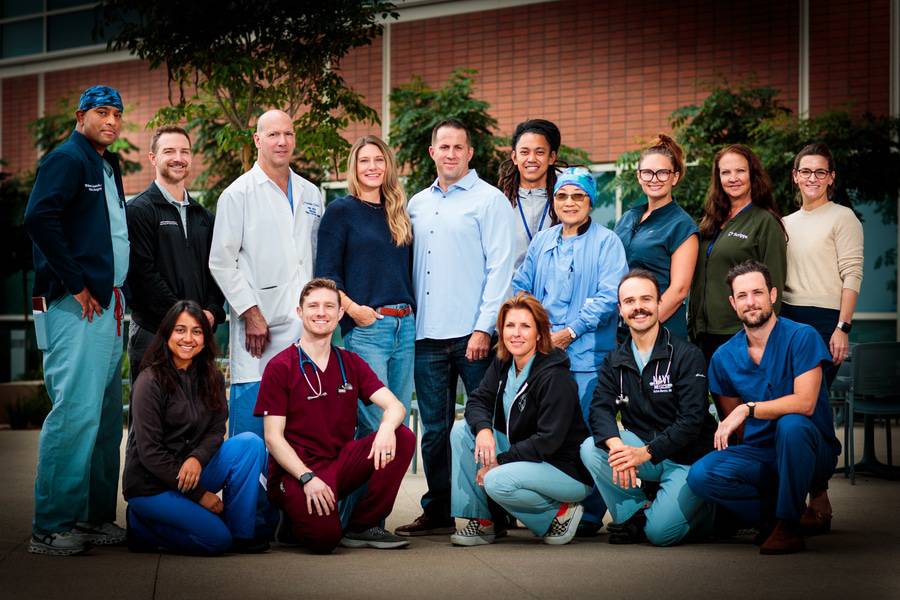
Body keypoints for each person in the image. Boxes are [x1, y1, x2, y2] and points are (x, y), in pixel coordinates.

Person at [395, 119, 516, 537]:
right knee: (434, 430)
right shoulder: (415, 204)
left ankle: (496, 509)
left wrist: (484, 328)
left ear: (469, 153)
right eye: (443, 147)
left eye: (458, 147)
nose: (450, 154)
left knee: (487, 425)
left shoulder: (490, 200)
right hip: (426, 336)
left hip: (473, 336)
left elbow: (501, 269)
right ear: (432, 152)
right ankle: (439, 509)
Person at [23, 86, 130, 555]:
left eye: (117, 114)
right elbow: (38, 218)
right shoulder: (66, 159)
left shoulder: (106, 165)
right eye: (102, 112)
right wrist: (76, 283)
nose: (111, 121)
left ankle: (91, 517)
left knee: (105, 419)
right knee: (75, 415)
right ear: (80, 115)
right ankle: (50, 527)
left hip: (110, 307)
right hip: (77, 307)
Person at [687, 260, 841, 555]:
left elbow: (805, 403)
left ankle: (788, 526)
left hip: (810, 450)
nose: (751, 302)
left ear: (772, 295)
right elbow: (738, 430)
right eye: (742, 296)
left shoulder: (802, 336)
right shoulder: (724, 357)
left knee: (791, 425)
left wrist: (748, 408)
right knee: (701, 475)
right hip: (763, 452)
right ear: (733, 303)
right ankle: (776, 516)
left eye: (757, 293)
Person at [255, 278, 415, 554]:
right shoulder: (280, 366)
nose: (321, 312)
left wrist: (386, 429)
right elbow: (273, 438)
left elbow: (396, 406)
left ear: (341, 313)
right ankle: (291, 518)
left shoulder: (350, 362)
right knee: (325, 539)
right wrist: (306, 477)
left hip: (339, 465)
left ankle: (363, 524)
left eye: (329, 306)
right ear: (300, 312)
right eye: (313, 306)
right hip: (295, 472)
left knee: (402, 436)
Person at [512, 166, 629, 535]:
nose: (569, 202)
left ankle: (591, 514)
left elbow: (609, 296)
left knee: (588, 435)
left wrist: (572, 330)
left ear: (590, 201)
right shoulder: (542, 241)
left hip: (588, 358)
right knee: (550, 432)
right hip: (545, 358)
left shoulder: (607, 242)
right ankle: (558, 507)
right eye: (562, 196)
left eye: (578, 196)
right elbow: (521, 284)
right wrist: (533, 324)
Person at [209, 109, 324, 438]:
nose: (282, 141)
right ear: (257, 140)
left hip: (306, 327)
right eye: (273, 135)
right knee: (253, 433)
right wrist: (251, 313)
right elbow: (221, 261)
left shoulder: (311, 193)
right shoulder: (238, 194)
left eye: (288, 134)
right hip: (260, 331)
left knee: (301, 431)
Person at [579, 269, 716, 546]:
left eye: (645, 299)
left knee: (660, 534)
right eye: (629, 301)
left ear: (658, 303)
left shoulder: (687, 355)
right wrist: (617, 448)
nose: (638, 307)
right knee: (592, 448)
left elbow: (691, 420)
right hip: (643, 452)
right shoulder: (615, 360)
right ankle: (637, 513)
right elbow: (600, 410)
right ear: (620, 309)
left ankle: (712, 513)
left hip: (685, 459)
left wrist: (645, 453)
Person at [124, 301, 268, 555]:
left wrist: (197, 458)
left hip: (192, 471)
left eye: (196, 331)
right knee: (216, 540)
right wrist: (201, 496)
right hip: (152, 485)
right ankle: (141, 525)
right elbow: (149, 452)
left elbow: (216, 430)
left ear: (205, 338)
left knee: (250, 444)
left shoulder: (212, 376)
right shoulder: (150, 381)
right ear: (167, 334)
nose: (188, 339)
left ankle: (241, 533)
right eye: (180, 330)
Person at [449, 292, 593, 546]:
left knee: (496, 481)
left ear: (539, 333)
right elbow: (478, 400)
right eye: (510, 326)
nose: (516, 333)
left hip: (562, 468)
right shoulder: (504, 363)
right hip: (525, 457)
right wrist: (483, 430)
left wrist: (499, 461)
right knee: (463, 432)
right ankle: (483, 522)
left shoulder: (555, 376)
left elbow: (548, 441)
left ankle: (560, 513)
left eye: (525, 326)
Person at [315, 135, 415, 434]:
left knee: (400, 422)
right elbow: (326, 276)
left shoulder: (398, 213)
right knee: (375, 423)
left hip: (405, 327)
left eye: (378, 160)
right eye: (364, 161)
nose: (372, 167)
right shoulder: (340, 211)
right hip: (368, 328)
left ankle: (389, 471)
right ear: (354, 168)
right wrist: (355, 311)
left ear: (388, 165)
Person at [126, 126, 225, 384]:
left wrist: (212, 311)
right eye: (169, 151)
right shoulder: (138, 211)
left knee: (196, 406)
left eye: (185, 151)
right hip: (153, 334)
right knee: (151, 408)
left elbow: (217, 270)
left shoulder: (204, 217)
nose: (178, 158)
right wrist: (183, 318)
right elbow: (143, 275)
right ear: (153, 158)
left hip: (198, 338)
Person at [689, 144, 787, 366]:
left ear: (752, 174)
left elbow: (774, 287)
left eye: (740, 171)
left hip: (740, 333)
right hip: (703, 333)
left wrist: (762, 338)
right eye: (726, 172)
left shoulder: (765, 222)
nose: (733, 178)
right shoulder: (711, 220)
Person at [782, 142, 863, 387]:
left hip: (825, 320)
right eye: (806, 171)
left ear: (831, 177)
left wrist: (843, 327)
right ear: (795, 176)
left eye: (820, 172)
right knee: (787, 394)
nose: (812, 178)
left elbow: (852, 274)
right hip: (786, 317)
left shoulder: (843, 217)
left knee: (814, 396)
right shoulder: (784, 223)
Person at [614, 134, 698, 339]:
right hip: (623, 329)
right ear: (639, 176)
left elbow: (679, 290)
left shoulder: (682, 225)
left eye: (662, 173)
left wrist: (642, 327)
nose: (654, 179)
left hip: (660, 330)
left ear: (674, 177)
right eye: (648, 173)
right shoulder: (627, 218)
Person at [497, 119, 562, 268]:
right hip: (512, 283)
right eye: (524, 152)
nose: (531, 159)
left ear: (551, 157)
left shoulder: (565, 201)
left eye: (539, 152)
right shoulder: (499, 203)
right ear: (514, 157)